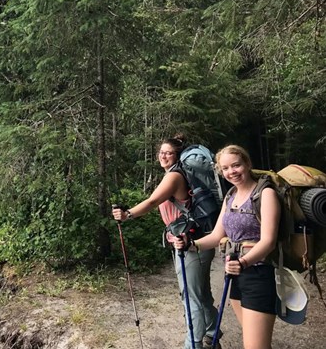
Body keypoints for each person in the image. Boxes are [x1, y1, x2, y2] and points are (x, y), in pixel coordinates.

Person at [112, 135, 220, 349]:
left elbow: (153, 201)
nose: (163, 156)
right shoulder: (179, 175)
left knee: (191, 297)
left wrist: (128, 215)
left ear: (177, 156)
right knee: (201, 292)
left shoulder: (174, 177)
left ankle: (193, 343)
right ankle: (212, 335)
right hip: (197, 240)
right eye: (161, 152)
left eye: (168, 152)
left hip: (190, 244)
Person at [174, 145, 280, 349]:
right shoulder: (231, 195)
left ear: (247, 164)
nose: (232, 172)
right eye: (225, 168)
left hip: (259, 275)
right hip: (236, 277)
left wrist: (244, 262)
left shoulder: (265, 194)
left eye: (236, 165)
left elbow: (268, 241)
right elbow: (216, 236)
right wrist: (191, 244)